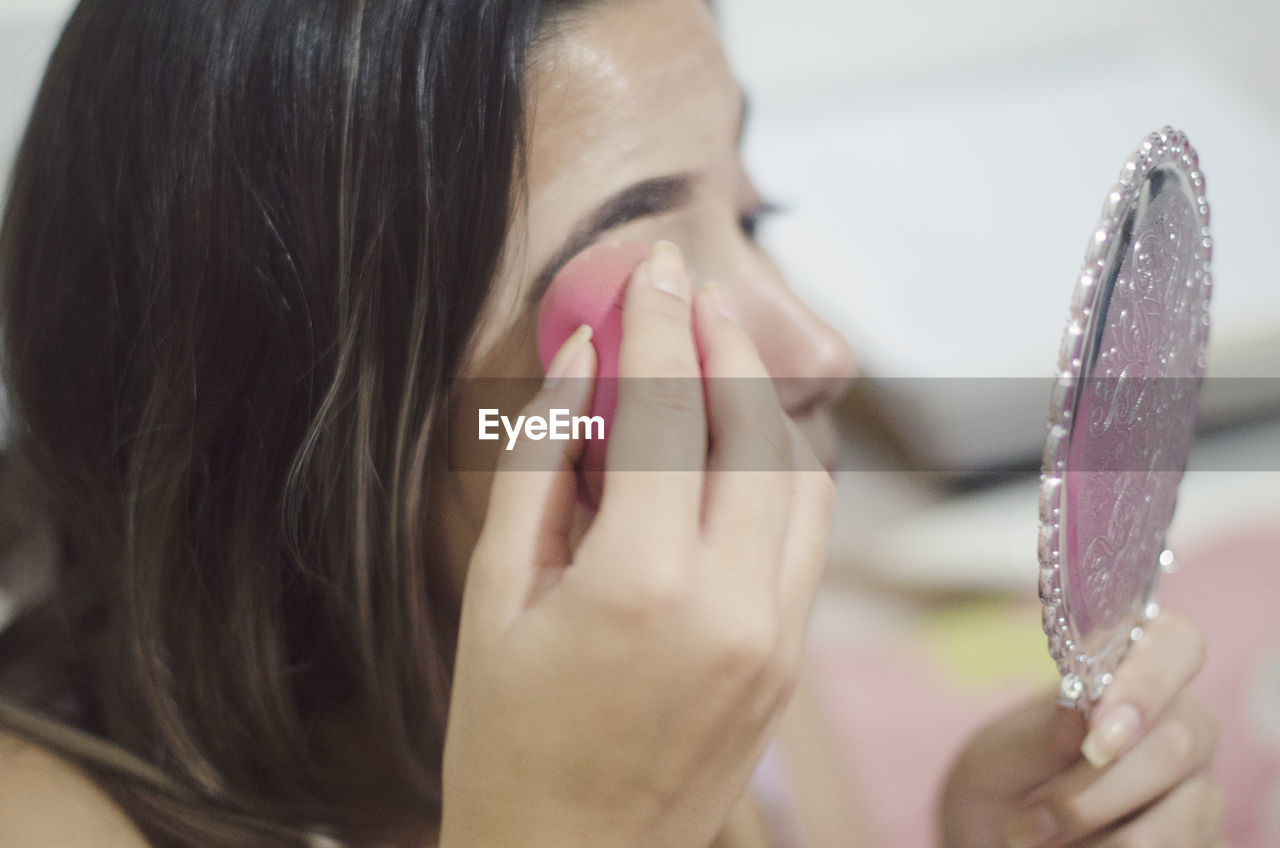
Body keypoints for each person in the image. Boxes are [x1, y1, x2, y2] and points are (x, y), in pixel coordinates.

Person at [0, 1, 1223, 846]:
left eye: (752, 216)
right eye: (651, 303)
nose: (815, 350)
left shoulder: (694, 646)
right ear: (288, 426)